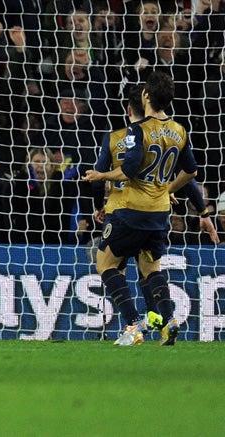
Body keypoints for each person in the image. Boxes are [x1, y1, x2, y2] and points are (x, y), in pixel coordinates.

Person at [83, 71, 218, 347]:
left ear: (139, 101)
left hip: (127, 211)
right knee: (150, 268)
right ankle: (167, 322)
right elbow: (191, 172)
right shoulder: (179, 130)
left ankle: (133, 326)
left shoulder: (126, 134)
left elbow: (128, 170)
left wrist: (102, 180)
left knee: (106, 264)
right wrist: (190, 204)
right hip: (160, 213)